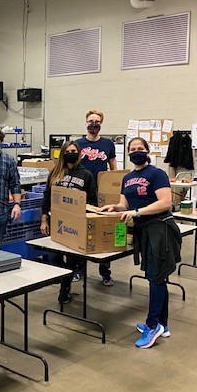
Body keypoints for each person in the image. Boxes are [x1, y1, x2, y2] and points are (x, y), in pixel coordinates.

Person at [99, 137, 181, 349]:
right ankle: (163, 324)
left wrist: (136, 212)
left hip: (160, 228)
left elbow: (165, 202)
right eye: (133, 149)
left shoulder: (157, 174)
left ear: (147, 151)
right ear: (128, 153)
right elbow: (124, 204)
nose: (137, 152)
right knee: (157, 277)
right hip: (143, 231)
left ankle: (152, 326)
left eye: (140, 148)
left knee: (156, 277)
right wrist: (113, 207)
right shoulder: (127, 178)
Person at [40, 141, 97, 305]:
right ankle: (66, 277)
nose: (71, 153)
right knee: (53, 256)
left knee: (72, 258)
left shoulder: (86, 174)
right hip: (56, 221)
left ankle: (65, 289)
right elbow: (47, 197)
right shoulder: (55, 173)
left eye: (74, 151)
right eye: (68, 151)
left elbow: (92, 201)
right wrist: (44, 219)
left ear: (78, 154)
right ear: (63, 153)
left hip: (76, 223)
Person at [75, 110, 117, 286]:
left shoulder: (108, 144)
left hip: (101, 194)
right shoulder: (77, 144)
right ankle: (79, 270)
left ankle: (105, 271)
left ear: (101, 124)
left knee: (103, 230)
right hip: (81, 192)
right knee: (80, 230)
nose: (94, 124)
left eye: (97, 121)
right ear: (85, 122)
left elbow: (114, 169)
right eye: (91, 121)